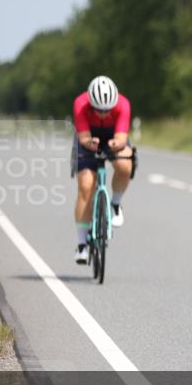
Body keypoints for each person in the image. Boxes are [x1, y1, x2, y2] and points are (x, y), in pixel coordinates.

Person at [72, 76, 133, 264]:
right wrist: (90, 143)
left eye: (107, 110)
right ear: (91, 103)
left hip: (113, 136)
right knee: (86, 187)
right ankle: (81, 245)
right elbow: (83, 138)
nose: (103, 114)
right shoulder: (81, 104)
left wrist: (116, 145)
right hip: (88, 138)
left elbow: (121, 138)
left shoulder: (123, 104)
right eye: (99, 110)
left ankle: (115, 204)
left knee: (125, 164)